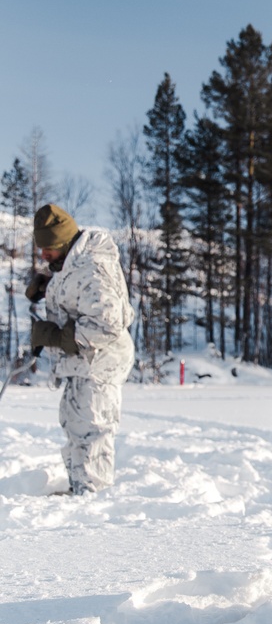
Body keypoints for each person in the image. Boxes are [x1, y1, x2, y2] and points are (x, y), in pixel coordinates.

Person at [27, 204, 135, 494]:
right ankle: (80, 488)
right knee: (74, 423)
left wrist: (56, 336)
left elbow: (109, 324)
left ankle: (92, 495)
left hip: (101, 362)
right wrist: (49, 285)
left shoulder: (92, 269)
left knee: (92, 428)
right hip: (82, 363)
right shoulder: (71, 262)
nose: (43, 255)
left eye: (48, 248)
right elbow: (77, 293)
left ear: (63, 242)